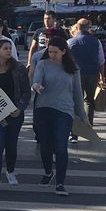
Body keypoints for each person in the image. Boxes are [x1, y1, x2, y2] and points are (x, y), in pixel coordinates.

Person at [31, 32, 89, 196]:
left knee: (61, 146)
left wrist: (83, 116)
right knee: (45, 145)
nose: (52, 54)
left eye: (55, 52)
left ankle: (60, 182)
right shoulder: (43, 64)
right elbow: (36, 80)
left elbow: (78, 93)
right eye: (50, 51)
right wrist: (36, 86)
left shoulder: (73, 68)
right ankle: (48, 172)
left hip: (64, 111)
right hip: (43, 108)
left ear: (64, 51)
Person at [0, 38, 30, 193]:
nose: (9, 51)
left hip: (14, 113)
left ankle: (10, 171)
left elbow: (26, 92)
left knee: (11, 146)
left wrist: (20, 107)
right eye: (5, 48)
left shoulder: (19, 68)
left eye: (10, 48)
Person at [68, 18, 106, 129]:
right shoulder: (96, 41)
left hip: (76, 75)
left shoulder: (70, 42)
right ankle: (88, 128)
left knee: (75, 101)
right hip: (92, 74)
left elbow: (66, 61)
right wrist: (102, 76)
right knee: (89, 101)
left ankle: (74, 132)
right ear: (88, 28)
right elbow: (101, 61)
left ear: (77, 27)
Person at [28, 11, 66, 80]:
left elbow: (65, 47)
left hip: (56, 61)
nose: (46, 21)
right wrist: (29, 62)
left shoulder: (60, 32)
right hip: (41, 59)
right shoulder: (39, 31)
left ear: (54, 19)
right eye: (45, 18)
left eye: (48, 18)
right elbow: (33, 47)